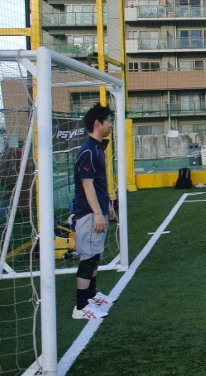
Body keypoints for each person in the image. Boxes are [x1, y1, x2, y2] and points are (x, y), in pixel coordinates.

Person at [72, 102, 115, 319]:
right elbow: (87, 185)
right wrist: (97, 212)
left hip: (98, 209)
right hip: (89, 213)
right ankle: (80, 307)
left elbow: (98, 183)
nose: (111, 125)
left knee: (95, 254)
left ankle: (91, 294)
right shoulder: (88, 150)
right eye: (108, 121)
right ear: (97, 123)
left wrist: (107, 205)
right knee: (88, 258)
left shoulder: (98, 148)